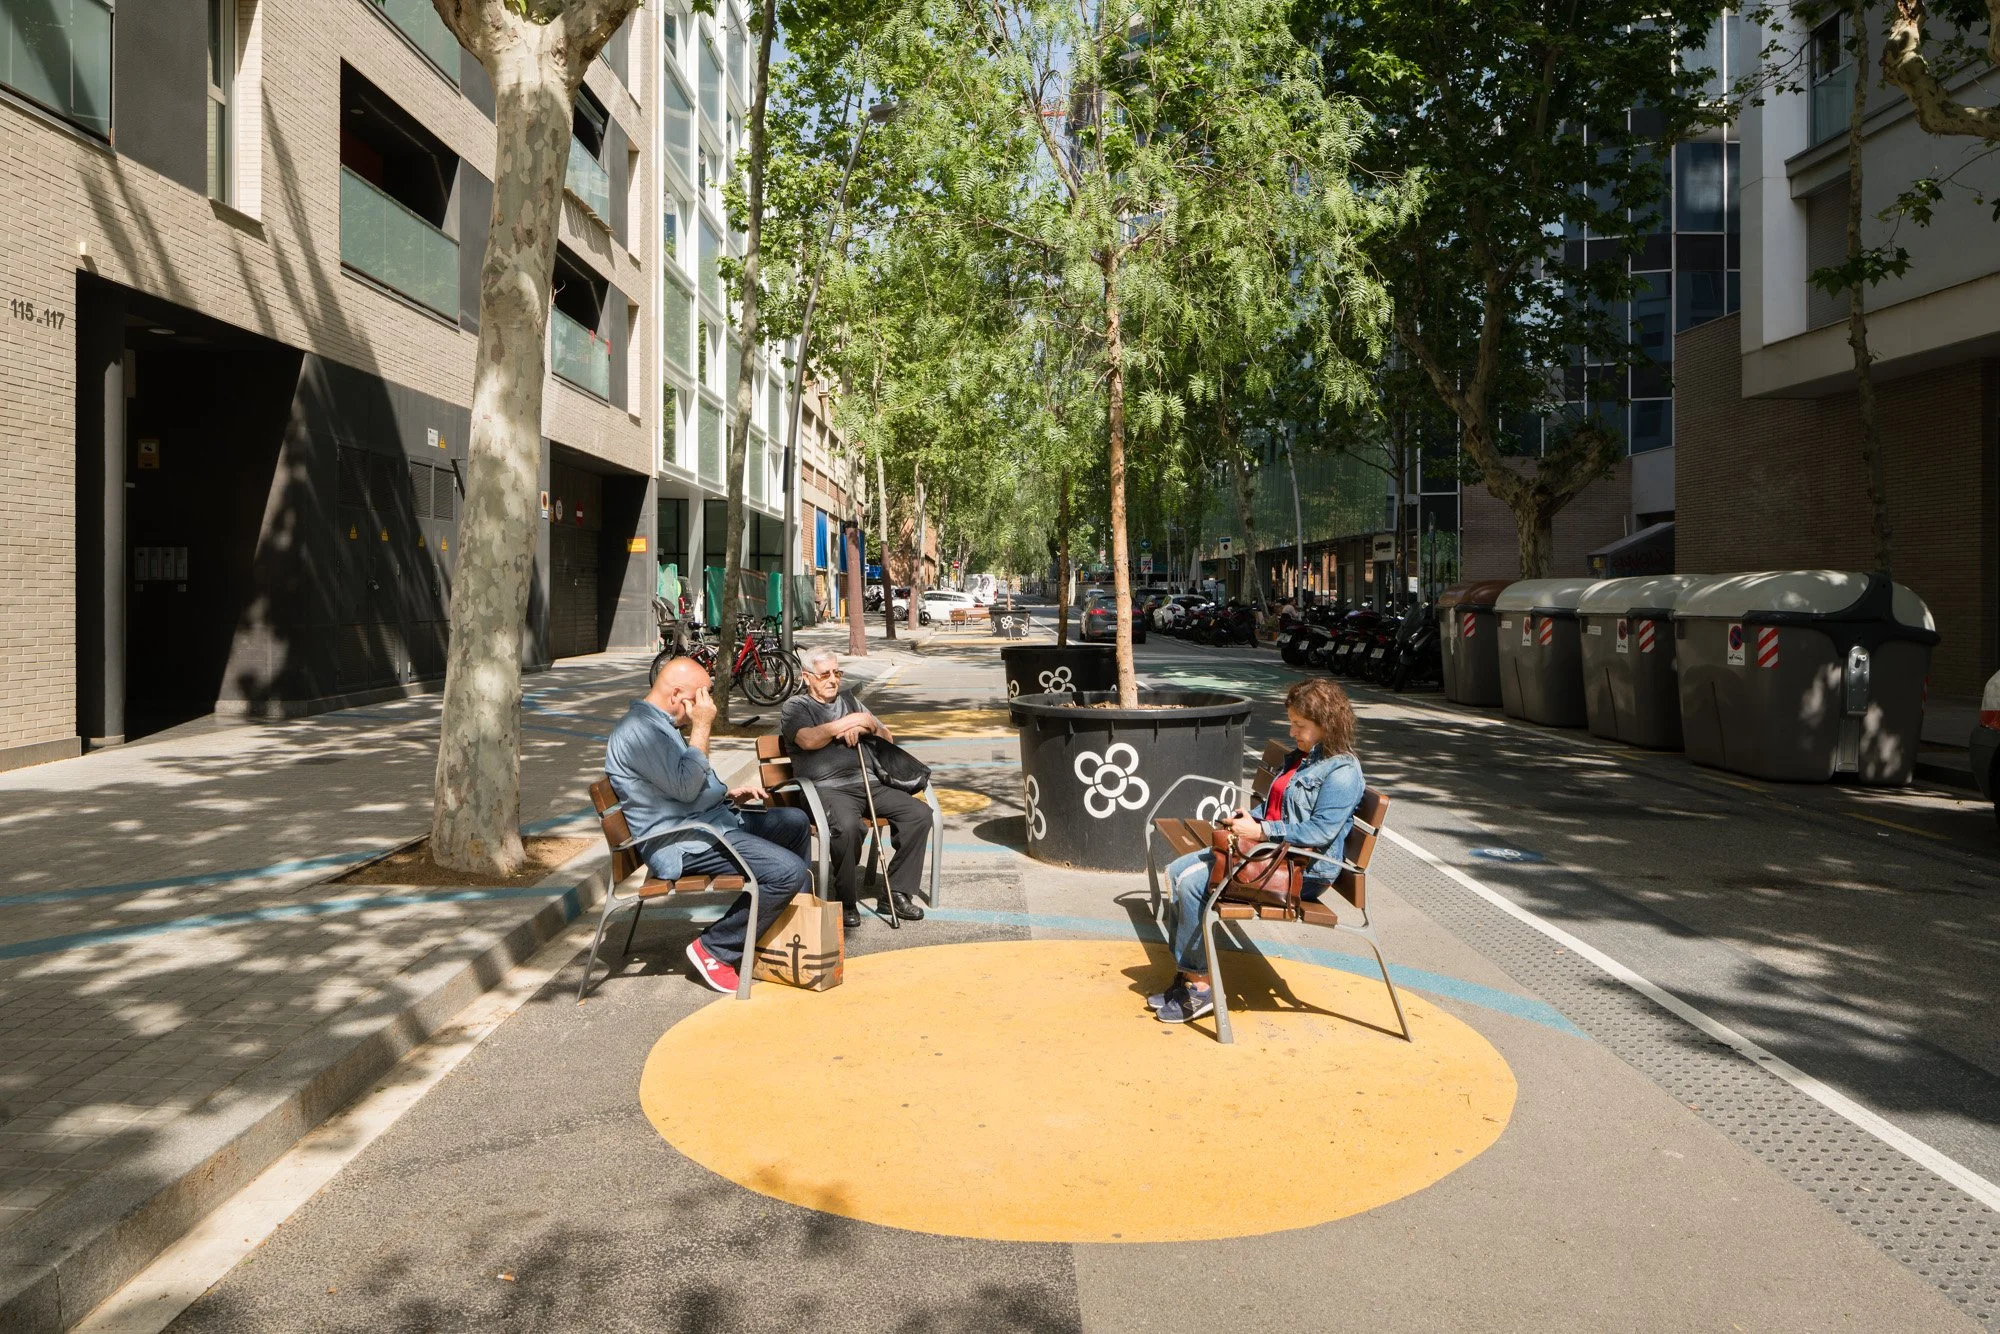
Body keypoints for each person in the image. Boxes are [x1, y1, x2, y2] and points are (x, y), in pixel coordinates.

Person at [1150, 677, 1365, 1025]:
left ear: (1327, 724)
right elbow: (1278, 806)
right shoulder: (1304, 758)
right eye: (1292, 723)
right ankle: (1188, 974)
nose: (1293, 731)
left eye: (1300, 725)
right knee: (1178, 872)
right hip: (1271, 854)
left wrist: (1263, 830)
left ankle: (1200, 988)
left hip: (1302, 871)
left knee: (1192, 886)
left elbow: (1320, 831)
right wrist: (1251, 817)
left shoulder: (1342, 772)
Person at [604, 653, 813, 993]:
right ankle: (715, 947)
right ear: (676, 696)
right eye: (701, 697)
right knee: (787, 871)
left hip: (705, 823)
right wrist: (702, 726)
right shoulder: (640, 731)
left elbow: (675, 789)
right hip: (683, 843)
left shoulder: (658, 725)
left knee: (793, 822)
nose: (708, 705)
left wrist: (726, 794)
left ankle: (786, 931)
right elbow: (686, 787)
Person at [780, 647, 930, 929]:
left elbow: (888, 737)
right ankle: (847, 900)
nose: (833, 680)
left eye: (837, 673)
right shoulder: (796, 707)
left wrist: (868, 724)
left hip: (869, 783)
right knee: (848, 827)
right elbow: (808, 740)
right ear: (807, 677)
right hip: (826, 789)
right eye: (825, 674)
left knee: (919, 815)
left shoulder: (851, 701)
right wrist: (850, 722)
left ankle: (895, 892)